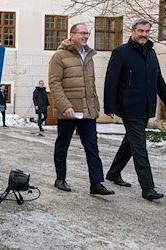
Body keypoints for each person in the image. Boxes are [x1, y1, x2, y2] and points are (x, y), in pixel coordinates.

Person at [104, 18, 166, 201]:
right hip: (129, 107)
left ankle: (113, 173)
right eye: (140, 31)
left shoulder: (151, 53)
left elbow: (158, 80)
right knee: (139, 147)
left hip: (146, 107)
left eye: (146, 31)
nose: (144, 34)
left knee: (130, 143)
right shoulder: (121, 53)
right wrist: (110, 106)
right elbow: (111, 81)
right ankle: (148, 188)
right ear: (132, 31)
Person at [49, 23, 114, 195]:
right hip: (69, 111)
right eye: (82, 33)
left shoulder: (89, 56)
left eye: (87, 33)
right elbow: (54, 84)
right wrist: (65, 106)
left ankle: (96, 183)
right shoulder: (59, 56)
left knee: (92, 146)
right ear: (72, 35)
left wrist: (96, 106)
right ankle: (60, 178)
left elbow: (90, 85)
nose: (85, 36)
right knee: (63, 145)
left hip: (88, 112)